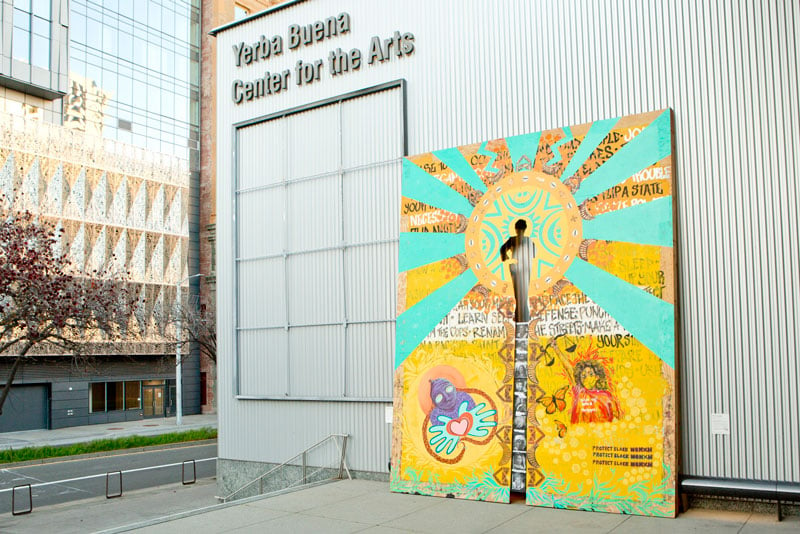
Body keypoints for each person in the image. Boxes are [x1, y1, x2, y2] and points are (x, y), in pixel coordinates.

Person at [549, 338, 621, 424]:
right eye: (583, 376)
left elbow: (616, 418)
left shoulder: (607, 395)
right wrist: (555, 347)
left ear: (597, 377)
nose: (587, 378)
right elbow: (568, 368)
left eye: (590, 374)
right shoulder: (580, 391)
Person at [501, 220, 535, 322]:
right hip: (522, 268)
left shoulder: (517, 240)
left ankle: (521, 316)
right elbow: (533, 255)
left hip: (521, 268)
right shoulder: (527, 241)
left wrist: (505, 257)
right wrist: (506, 257)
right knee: (522, 293)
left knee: (520, 293)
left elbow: (503, 250)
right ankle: (522, 316)